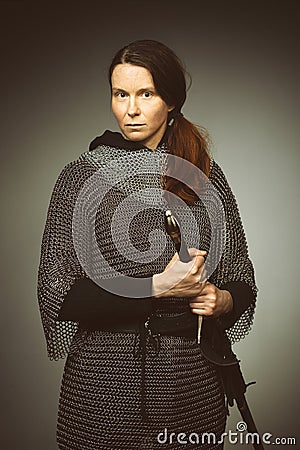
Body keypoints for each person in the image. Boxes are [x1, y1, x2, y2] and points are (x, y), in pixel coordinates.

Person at [37, 40, 257, 450]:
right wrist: (156, 288)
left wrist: (222, 300)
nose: (130, 109)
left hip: (193, 384)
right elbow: (59, 293)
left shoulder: (204, 175)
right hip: (106, 387)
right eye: (120, 94)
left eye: (146, 94)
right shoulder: (82, 178)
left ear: (171, 101)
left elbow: (241, 276)